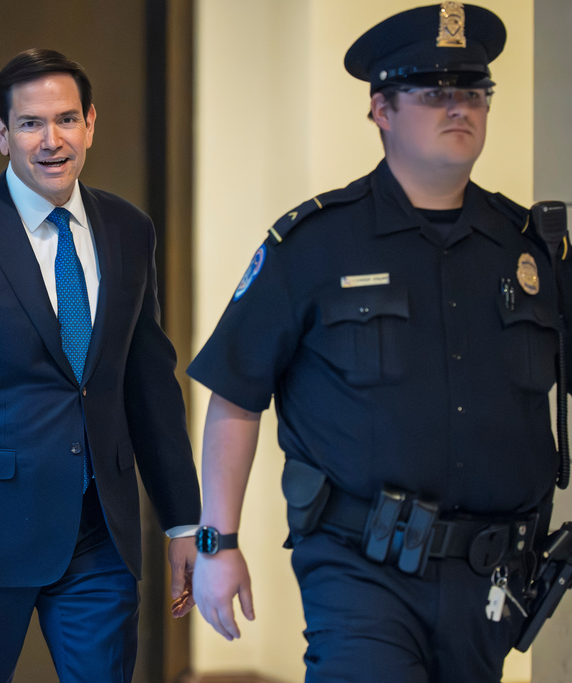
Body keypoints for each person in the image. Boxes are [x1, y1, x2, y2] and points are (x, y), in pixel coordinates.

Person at [188, 4, 565, 682]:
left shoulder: (529, 251)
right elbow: (237, 394)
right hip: (360, 565)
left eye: (474, 91)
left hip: (491, 578)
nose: (460, 107)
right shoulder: (314, 245)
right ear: (381, 110)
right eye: (434, 92)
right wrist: (219, 542)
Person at [0, 48, 201, 681]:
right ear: (2, 133)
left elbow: (149, 386)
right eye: (30, 123)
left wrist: (183, 521)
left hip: (100, 536)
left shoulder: (129, 229)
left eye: (66, 119)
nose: (52, 140)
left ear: (90, 124)